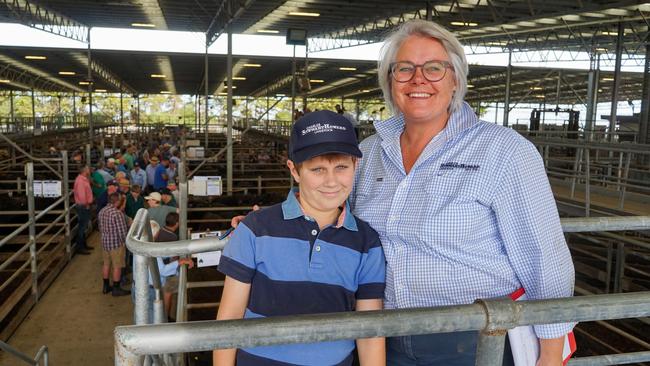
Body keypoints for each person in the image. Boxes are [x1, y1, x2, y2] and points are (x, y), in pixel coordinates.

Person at [349, 20, 574, 365]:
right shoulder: (369, 152)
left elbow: (544, 258)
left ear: (455, 80)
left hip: (473, 339)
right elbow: (338, 224)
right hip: (383, 338)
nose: (418, 79)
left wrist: (550, 355)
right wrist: (269, 224)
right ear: (390, 81)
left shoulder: (503, 150)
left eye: (434, 68)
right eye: (404, 69)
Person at [214, 110, 386, 366]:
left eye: (341, 167)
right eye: (317, 169)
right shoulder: (255, 229)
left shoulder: (366, 242)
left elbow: (370, 330)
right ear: (294, 170)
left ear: (355, 166)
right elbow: (229, 317)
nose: (331, 181)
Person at [155, 212, 193, 319]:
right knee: (169, 293)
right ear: (176, 223)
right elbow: (173, 257)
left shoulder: (161, 231)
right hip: (168, 271)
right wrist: (178, 264)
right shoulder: (172, 237)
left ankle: (166, 316)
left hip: (160, 267)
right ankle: (166, 317)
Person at [98, 193, 130, 296]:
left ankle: (106, 286)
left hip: (105, 242)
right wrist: (126, 243)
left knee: (106, 264)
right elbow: (122, 232)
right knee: (117, 266)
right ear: (117, 201)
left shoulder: (102, 211)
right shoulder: (117, 214)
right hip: (116, 244)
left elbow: (100, 226)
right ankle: (116, 288)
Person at [72, 165, 94, 255]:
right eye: (88, 169)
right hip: (83, 206)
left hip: (83, 205)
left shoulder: (82, 179)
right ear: (85, 171)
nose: (89, 169)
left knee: (83, 227)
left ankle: (83, 245)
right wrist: (87, 204)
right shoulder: (81, 181)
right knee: (82, 227)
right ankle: (80, 247)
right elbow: (81, 196)